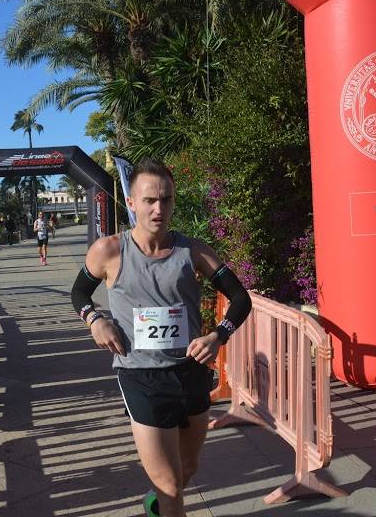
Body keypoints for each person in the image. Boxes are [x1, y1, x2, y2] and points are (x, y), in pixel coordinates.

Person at [70, 158, 251, 517]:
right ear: (132, 202)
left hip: (191, 372)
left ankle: (156, 506)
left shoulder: (193, 251)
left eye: (166, 199)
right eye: (150, 200)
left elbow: (241, 298)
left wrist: (218, 336)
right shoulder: (109, 251)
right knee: (169, 483)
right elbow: (79, 293)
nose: (158, 208)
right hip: (140, 376)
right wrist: (94, 320)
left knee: (186, 471)